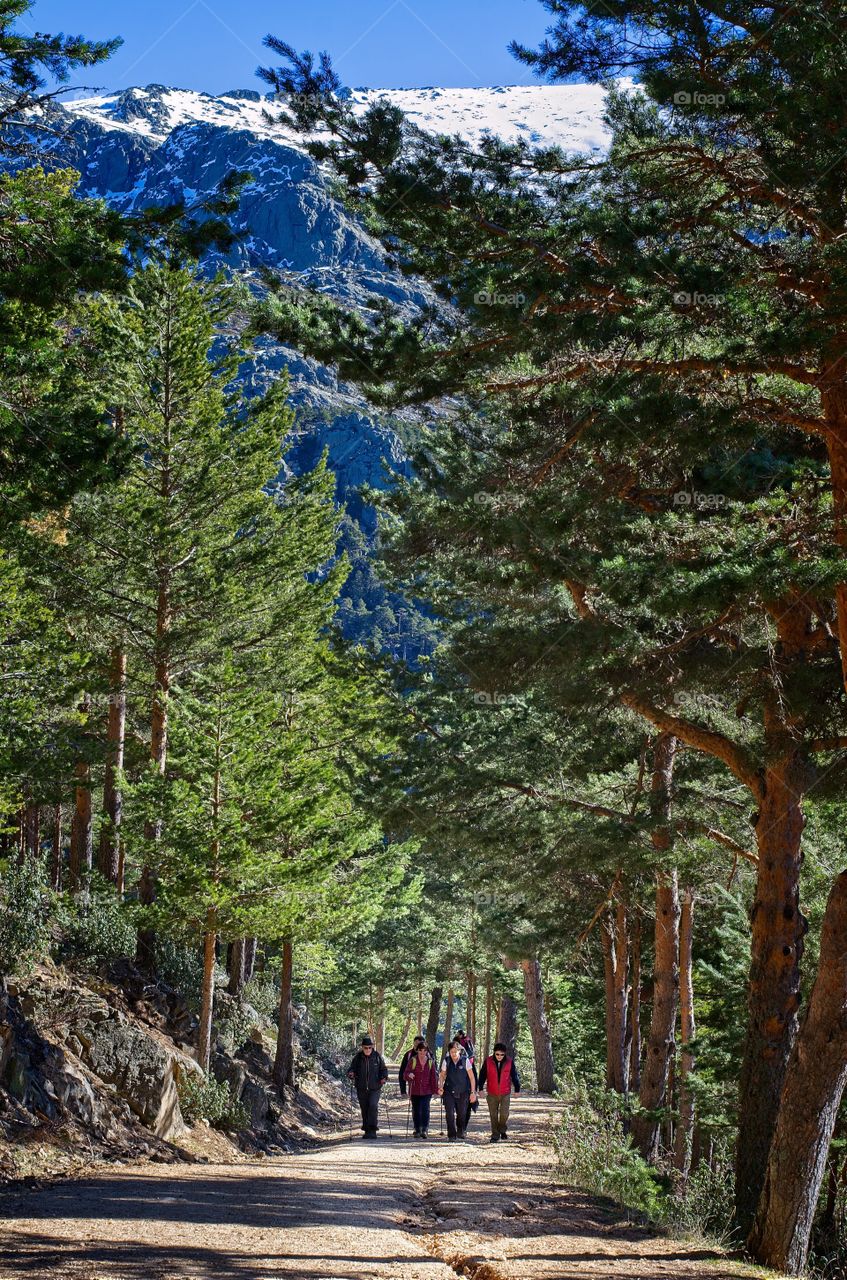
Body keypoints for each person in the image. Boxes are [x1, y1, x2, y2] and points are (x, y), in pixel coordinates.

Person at [477, 1041, 521, 1142]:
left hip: (505, 1092)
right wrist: (480, 1089)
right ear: (494, 1053)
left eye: (502, 1054)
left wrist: (517, 1089)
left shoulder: (509, 1062)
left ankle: (502, 1129)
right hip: (492, 1093)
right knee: (493, 1115)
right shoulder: (488, 1061)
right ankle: (495, 1135)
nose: (499, 1056)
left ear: (505, 1054)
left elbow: (514, 1076)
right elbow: (482, 1075)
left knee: (504, 1114)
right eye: (497, 1054)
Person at [347, 1035, 388, 1139]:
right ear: (362, 1047)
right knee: (364, 1108)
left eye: (370, 1047)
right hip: (361, 1088)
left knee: (373, 1106)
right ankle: (367, 1130)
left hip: (375, 1087)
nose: (368, 1049)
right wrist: (351, 1073)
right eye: (366, 1047)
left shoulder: (377, 1057)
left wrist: (384, 1077)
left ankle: (373, 1130)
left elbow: (383, 1069)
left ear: (372, 1047)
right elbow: (352, 1068)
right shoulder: (358, 1057)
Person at [438, 1037, 477, 1141]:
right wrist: (440, 1087)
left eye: (455, 1051)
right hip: (449, 1091)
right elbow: (442, 1075)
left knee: (462, 1113)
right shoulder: (446, 1061)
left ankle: (461, 1130)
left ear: (459, 1051)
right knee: (449, 1113)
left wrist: (473, 1092)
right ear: (449, 1052)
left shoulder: (465, 1061)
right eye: (451, 1052)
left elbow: (472, 1078)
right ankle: (451, 1135)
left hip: (463, 1091)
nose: (453, 1054)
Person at [403, 1040, 437, 1138]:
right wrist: (409, 1074)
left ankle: (425, 1130)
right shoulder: (413, 1060)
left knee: (425, 1109)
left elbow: (433, 1077)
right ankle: (417, 1129)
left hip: (427, 1090)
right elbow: (405, 1074)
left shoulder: (430, 1062)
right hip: (415, 1090)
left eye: (424, 1051)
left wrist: (435, 1090)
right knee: (416, 1110)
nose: (422, 1053)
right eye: (420, 1050)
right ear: (417, 1050)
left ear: (427, 1051)